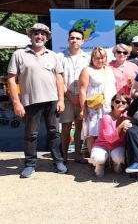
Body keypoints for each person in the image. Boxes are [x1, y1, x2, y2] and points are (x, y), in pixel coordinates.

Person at [7, 23, 67, 178]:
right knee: (31, 134)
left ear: (47, 38)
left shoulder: (53, 55)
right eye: (36, 33)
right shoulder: (19, 54)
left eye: (43, 34)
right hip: (30, 101)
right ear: (30, 35)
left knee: (54, 133)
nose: (39, 36)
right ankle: (30, 164)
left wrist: (61, 100)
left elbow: (59, 79)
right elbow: (12, 80)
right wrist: (16, 102)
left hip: (52, 100)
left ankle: (58, 161)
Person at [56, 28, 90, 164]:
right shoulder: (59, 57)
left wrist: (81, 99)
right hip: (66, 97)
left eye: (77, 38)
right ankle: (63, 156)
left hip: (83, 98)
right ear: (68, 39)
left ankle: (77, 155)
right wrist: (69, 96)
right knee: (66, 127)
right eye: (72, 38)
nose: (74, 40)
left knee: (80, 126)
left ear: (82, 41)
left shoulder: (87, 58)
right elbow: (59, 79)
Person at [79, 47, 117, 157]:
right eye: (97, 58)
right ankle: (93, 158)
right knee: (92, 134)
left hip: (108, 107)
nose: (100, 60)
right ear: (92, 58)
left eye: (102, 58)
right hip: (94, 108)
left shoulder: (109, 69)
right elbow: (82, 91)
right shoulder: (87, 70)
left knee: (107, 132)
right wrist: (83, 109)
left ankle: (108, 157)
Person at [90, 93, 130, 177]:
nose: (120, 104)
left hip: (118, 145)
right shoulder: (106, 117)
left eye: (123, 102)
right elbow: (110, 139)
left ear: (127, 105)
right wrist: (121, 125)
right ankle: (100, 165)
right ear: (112, 103)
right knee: (98, 158)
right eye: (117, 101)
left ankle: (116, 163)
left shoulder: (127, 117)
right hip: (102, 145)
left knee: (119, 157)